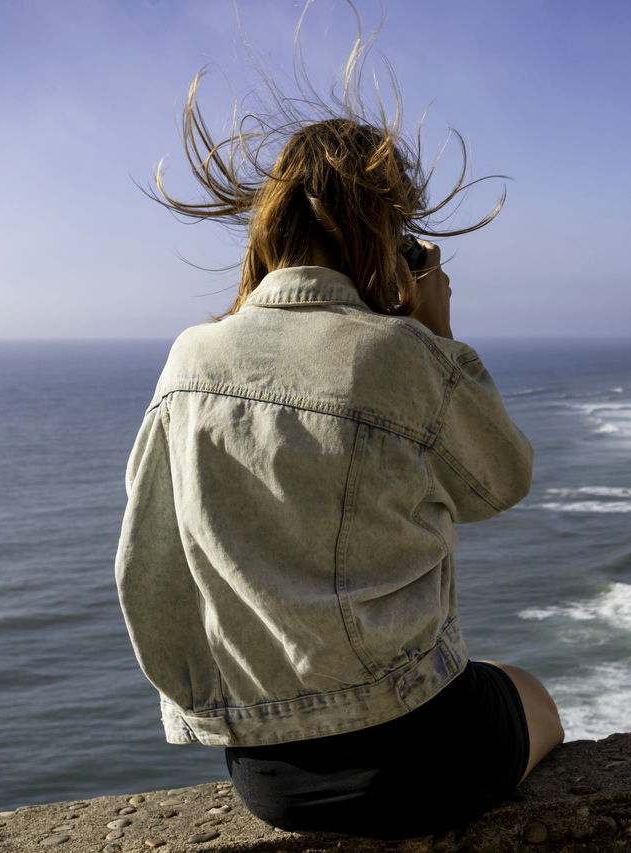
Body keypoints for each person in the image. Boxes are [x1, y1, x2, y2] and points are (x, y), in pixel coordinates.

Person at [114, 31, 563, 839]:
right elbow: (501, 480)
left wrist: (219, 708)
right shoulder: (402, 354)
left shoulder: (189, 361)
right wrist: (439, 333)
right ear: (382, 231)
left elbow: (149, 573)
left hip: (268, 777)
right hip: (419, 748)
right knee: (534, 697)